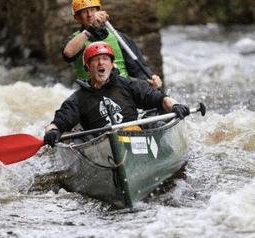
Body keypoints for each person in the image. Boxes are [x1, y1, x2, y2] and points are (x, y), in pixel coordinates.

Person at [44, 42, 189, 147]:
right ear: (88, 67)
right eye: (95, 60)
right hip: (101, 146)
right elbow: (55, 124)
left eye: (105, 59)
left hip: (135, 139)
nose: (101, 63)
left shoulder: (128, 84)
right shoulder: (78, 98)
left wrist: (175, 106)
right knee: (76, 138)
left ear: (112, 64)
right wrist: (52, 132)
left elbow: (161, 99)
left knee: (156, 120)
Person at [63, 0, 162, 89]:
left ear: (99, 11)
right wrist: (91, 28)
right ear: (77, 17)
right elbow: (68, 53)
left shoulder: (119, 37)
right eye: (84, 12)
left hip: (123, 93)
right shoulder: (74, 41)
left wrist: (150, 81)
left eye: (92, 10)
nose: (89, 15)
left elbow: (138, 71)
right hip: (91, 95)